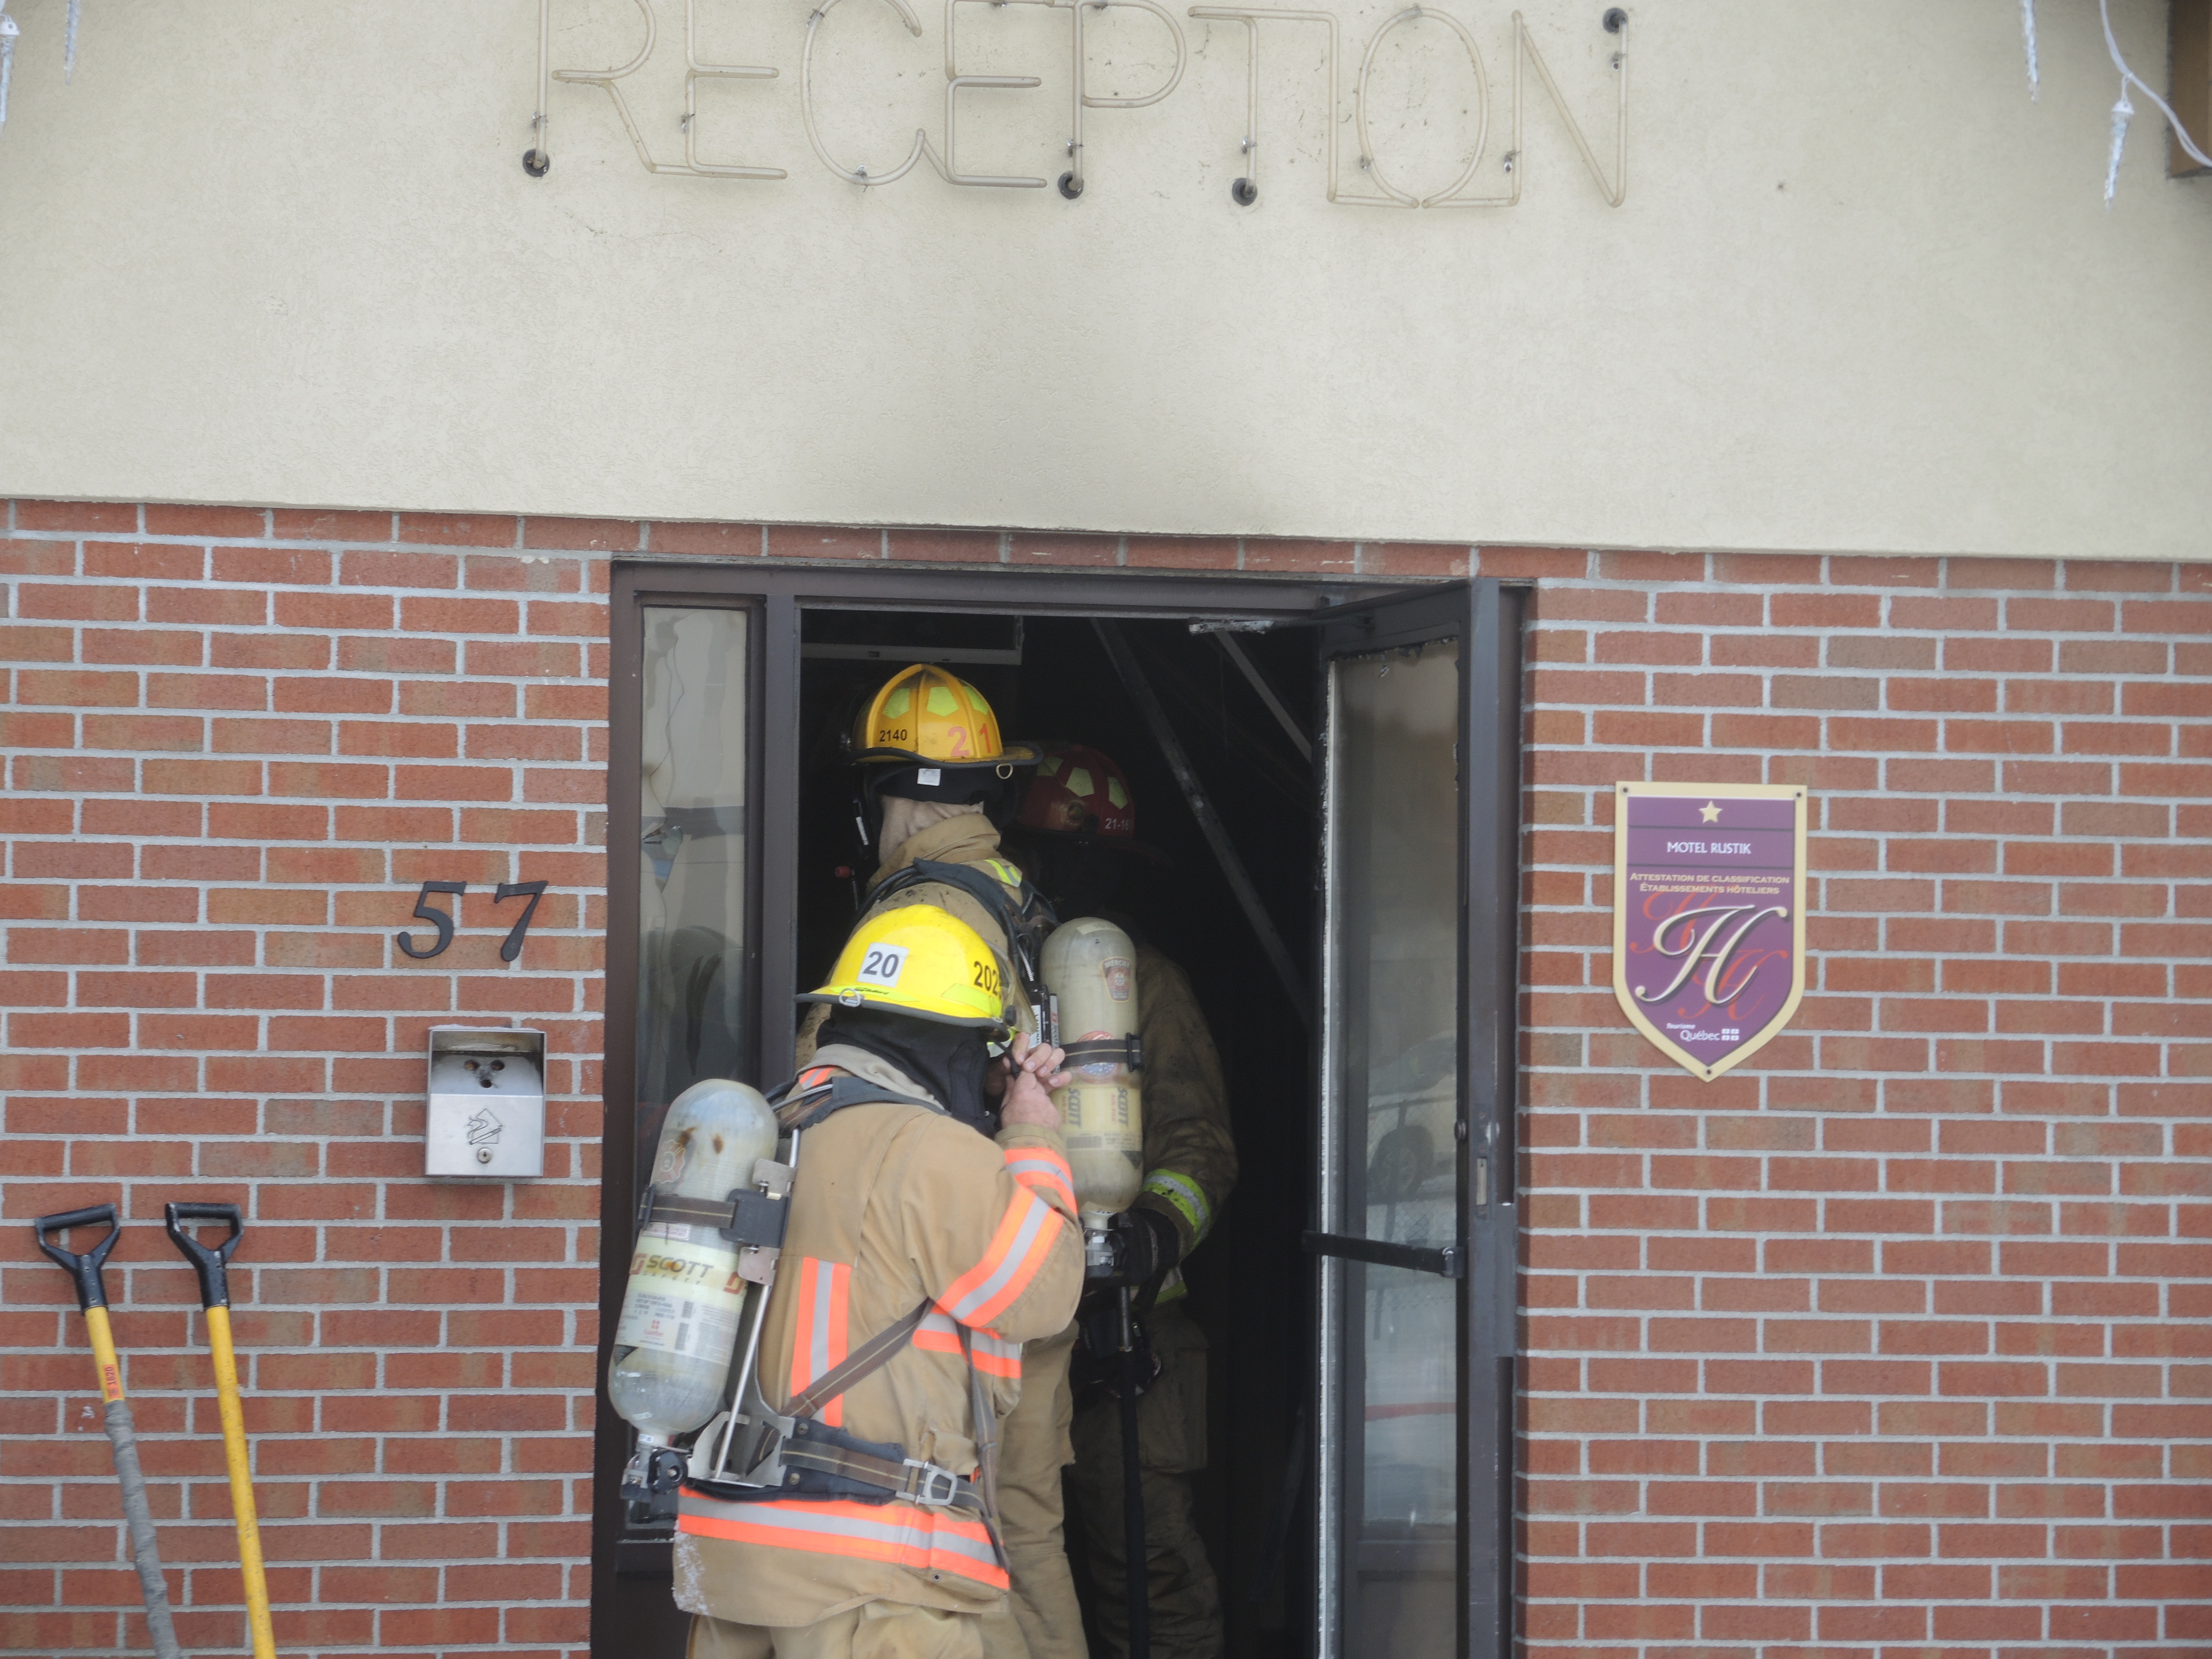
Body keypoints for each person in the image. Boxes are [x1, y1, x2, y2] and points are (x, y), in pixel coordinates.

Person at [676, 905, 1087, 1659]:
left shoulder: (774, 1122)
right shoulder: (927, 1150)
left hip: (732, 1558)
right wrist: (1030, 1130)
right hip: (868, 1578)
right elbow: (1043, 1294)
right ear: (954, 1045)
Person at [795, 663, 1091, 1659]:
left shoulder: (917, 920)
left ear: (889, 795)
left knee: (981, 1541)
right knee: (1024, 1532)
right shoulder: (1009, 896)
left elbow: (831, 1105)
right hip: (1011, 1252)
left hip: (949, 1285)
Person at [1000, 744, 1240, 1659]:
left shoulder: (1148, 985)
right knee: (1000, 1566)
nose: (1071, 881)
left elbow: (1202, 1145)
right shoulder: (987, 980)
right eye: (1055, 859)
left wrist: (1153, 1231)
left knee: (1152, 1575)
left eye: (1093, 863)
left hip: (1129, 1341)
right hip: (1007, 1327)